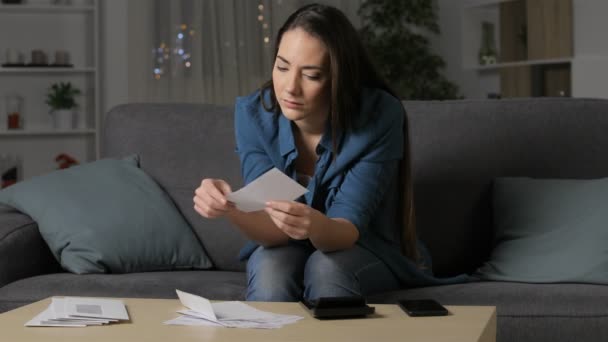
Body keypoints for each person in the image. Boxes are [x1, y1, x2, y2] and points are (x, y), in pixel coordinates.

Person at [193, 3, 466, 302]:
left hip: (365, 246)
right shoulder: (254, 114)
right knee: (271, 268)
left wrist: (314, 224)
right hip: (287, 248)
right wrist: (231, 208)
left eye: (311, 75)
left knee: (327, 268)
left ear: (340, 79)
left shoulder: (379, 116)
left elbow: (347, 228)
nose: (289, 88)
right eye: (282, 67)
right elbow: (273, 227)